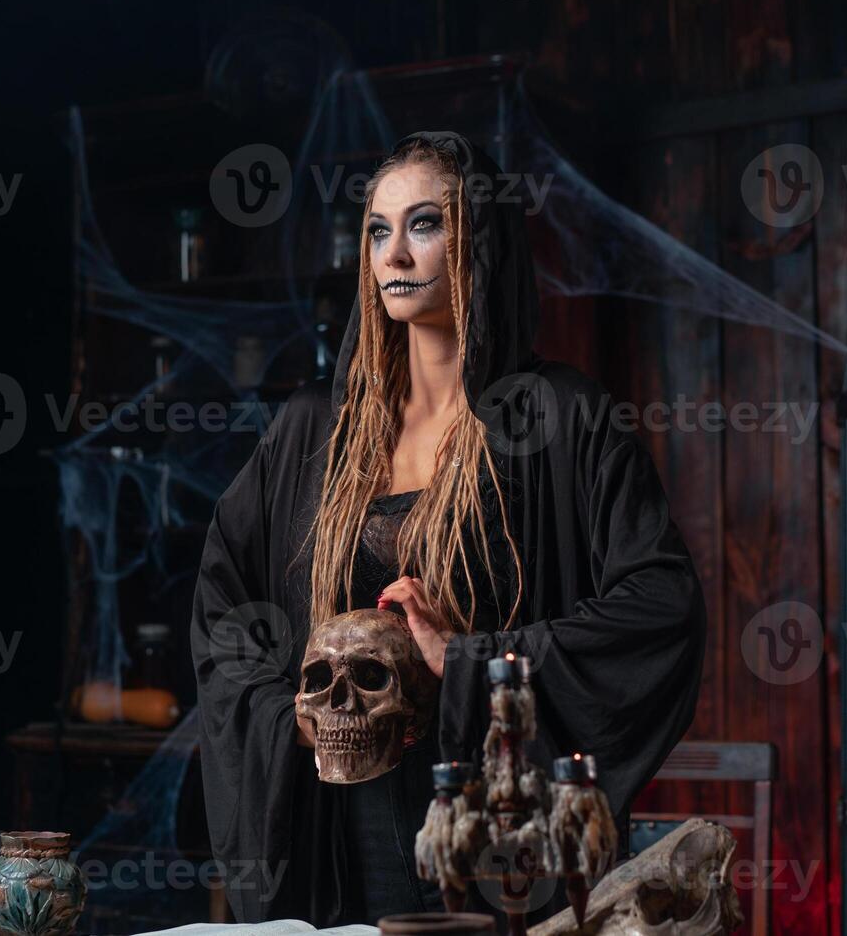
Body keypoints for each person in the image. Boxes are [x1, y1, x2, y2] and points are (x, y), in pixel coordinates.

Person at [191, 131, 705, 927]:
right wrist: (288, 714)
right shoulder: (309, 432)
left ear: (480, 244)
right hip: (331, 830)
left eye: (424, 225)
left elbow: (661, 606)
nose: (395, 254)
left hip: (492, 829)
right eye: (378, 230)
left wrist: (473, 661)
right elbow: (222, 607)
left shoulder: (562, 421)